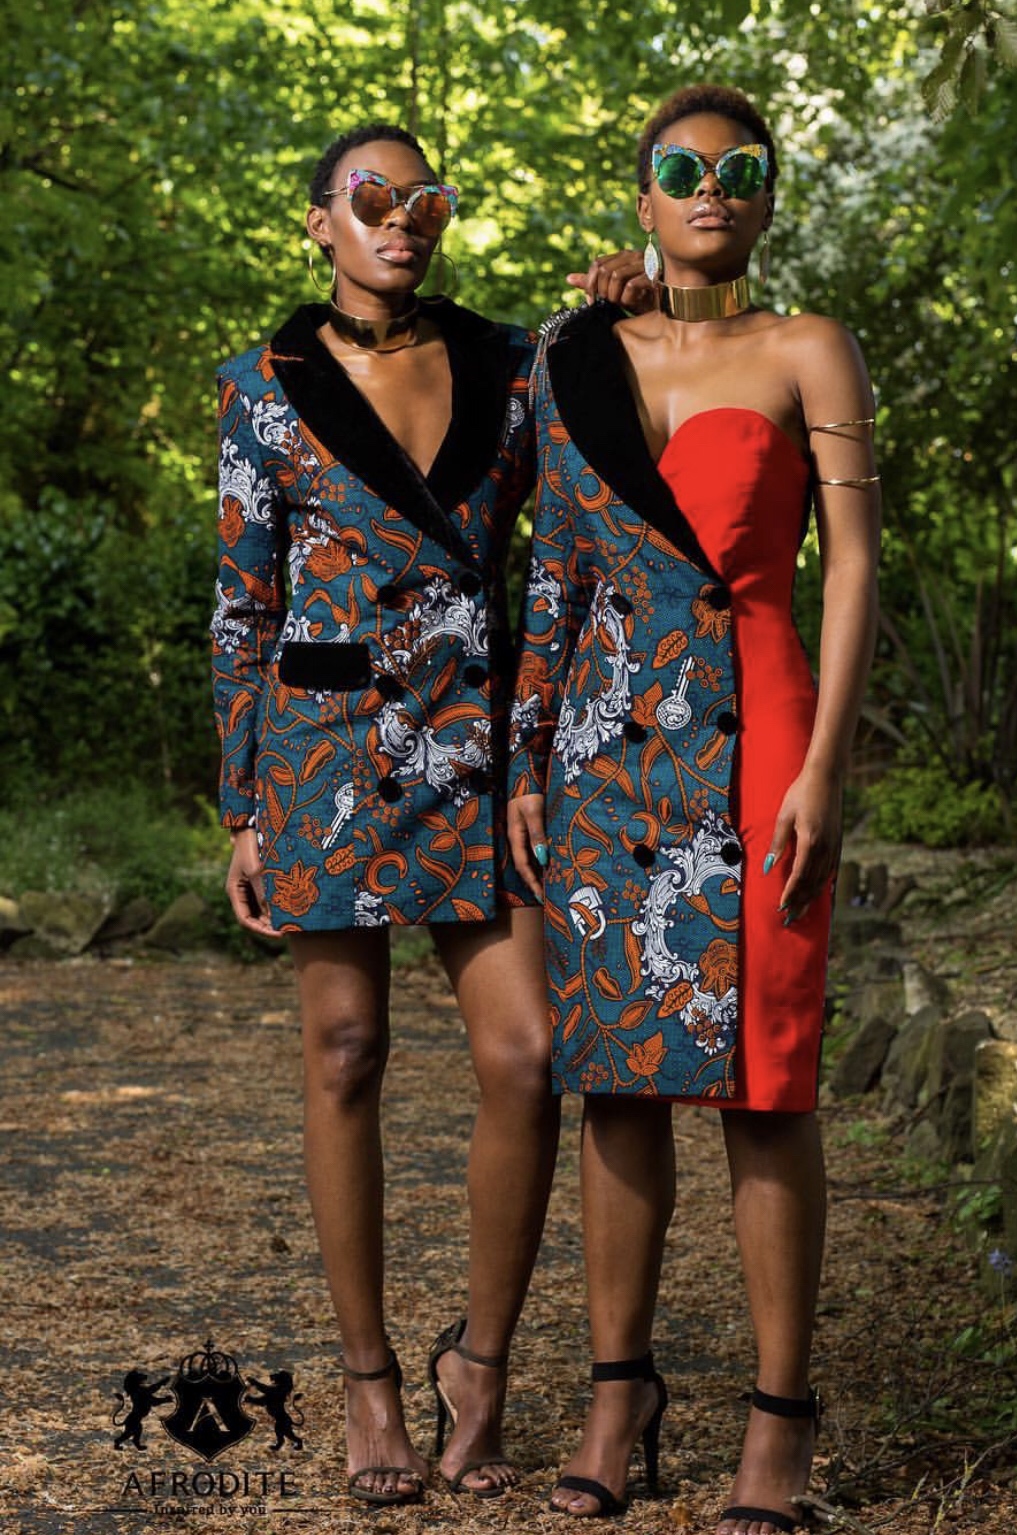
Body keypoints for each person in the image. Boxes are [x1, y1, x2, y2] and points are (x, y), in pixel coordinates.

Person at [211, 123, 647, 1505]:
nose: (402, 218)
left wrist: (630, 297)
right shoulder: (263, 386)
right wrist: (242, 804)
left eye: (425, 200)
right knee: (345, 1053)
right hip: (325, 750)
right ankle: (369, 1382)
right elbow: (242, 605)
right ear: (319, 223)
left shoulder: (512, 364)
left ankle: (480, 1366)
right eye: (372, 197)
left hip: (480, 747)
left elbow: (620, 417)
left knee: (525, 1057)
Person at [508, 85, 880, 1534]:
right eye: (681, 169)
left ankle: (780, 1422)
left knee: (767, 1081)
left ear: (768, 196)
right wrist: (527, 760)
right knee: (617, 1079)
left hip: (761, 727)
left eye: (738, 169)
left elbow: (852, 562)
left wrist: (826, 763)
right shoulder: (578, 356)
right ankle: (620, 1396)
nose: (710, 187)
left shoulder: (807, 346)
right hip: (605, 747)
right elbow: (552, 571)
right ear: (643, 199)